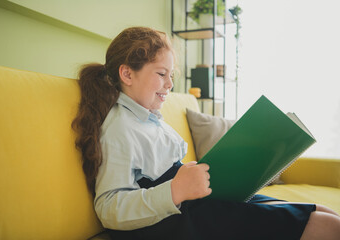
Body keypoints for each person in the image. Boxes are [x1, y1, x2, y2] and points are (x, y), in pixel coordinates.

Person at [72, 26, 340, 240]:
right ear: (127, 74)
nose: (170, 84)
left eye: (171, 75)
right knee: (324, 226)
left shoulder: (149, 118)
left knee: (322, 212)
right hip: (171, 221)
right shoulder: (119, 128)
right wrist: (175, 189)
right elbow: (108, 208)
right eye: (162, 73)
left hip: (189, 202)